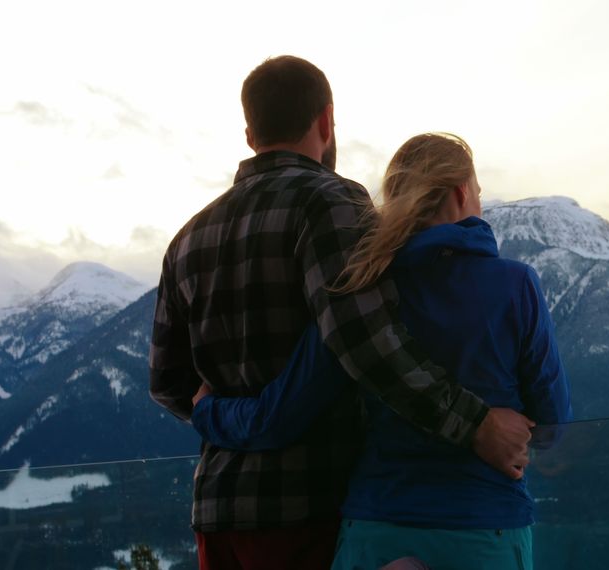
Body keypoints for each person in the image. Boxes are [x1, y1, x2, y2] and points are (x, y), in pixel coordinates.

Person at [149, 57, 534, 570]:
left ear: (249, 133)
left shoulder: (188, 238)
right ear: (326, 121)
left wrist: (220, 416)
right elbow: (366, 342)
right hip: (307, 509)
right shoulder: (330, 202)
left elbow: (169, 381)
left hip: (218, 517)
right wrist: (477, 424)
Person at [192, 133, 573, 569]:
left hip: (376, 530)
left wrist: (208, 411)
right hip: (484, 527)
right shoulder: (515, 286)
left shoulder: (359, 291)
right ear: (461, 192)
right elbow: (552, 425)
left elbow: (279, 416)